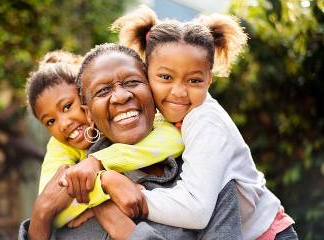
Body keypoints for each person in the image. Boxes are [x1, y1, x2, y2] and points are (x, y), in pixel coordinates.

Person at [110, 5, 298, 240]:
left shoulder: (205, 121)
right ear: (146, 72)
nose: (178, 92)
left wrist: (137, 196)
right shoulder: (160, 117)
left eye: (194, 80)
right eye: (165, 77)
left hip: (266, 235)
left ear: (209, 79)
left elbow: (196, 210)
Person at [19, 44, 241, 240]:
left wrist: (125, 230)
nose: (121, 96)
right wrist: (42, 213)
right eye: (103, 90)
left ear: (152, 90)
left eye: (133, 82)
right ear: (88, 112)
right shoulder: (72, 187)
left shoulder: (206, 180)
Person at [25, 50, 184, 228]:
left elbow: (174, 139)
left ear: (87, 97)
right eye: (50, 121)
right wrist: (105, 188)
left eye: (68, 106)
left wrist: (99, 162)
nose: (63, 124)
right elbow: (50, 203)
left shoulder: (141, 117)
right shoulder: (59, 146)